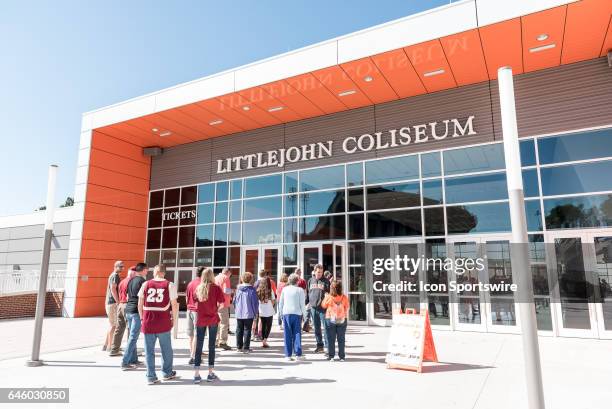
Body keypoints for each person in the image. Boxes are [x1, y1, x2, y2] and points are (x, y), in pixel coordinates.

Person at [138, 264, 178, 384]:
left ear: (155, 271)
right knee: (166, 349)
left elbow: (140, 303)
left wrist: (141, 318)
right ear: (164, 272)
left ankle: (150, 376)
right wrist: (174, 320)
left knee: (149, 350)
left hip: (148, 321)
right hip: (163, 321)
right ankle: (167, 373)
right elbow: (174, 305)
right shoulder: (169, 285)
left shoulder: (146, 284)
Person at [193, 267, 225, 383]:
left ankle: (196, 374)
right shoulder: (216, 288)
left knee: (199, 346)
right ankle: (210, 373)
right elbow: (222, 304)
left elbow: (194, 302)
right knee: (211, 346)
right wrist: (215, 309)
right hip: (212, 319)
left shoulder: (198, 288)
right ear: (211, 276)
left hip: (201, 319)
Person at [120, 262, 147, 371]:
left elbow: (127, 294)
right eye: (147, 270)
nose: (147, 271)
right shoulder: (143, 282)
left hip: (128, 310)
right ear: (144, 270)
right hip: (136, 311)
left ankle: (133, 359)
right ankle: (125, 362)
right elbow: (143, 298)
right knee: (133, 337)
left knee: (132, 336)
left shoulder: (131, 280)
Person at [109, 264, 139, 356]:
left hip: (121, 305)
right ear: (134, 273)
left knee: (119, 328)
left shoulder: (122, 281)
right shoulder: (132, 282)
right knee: (131, 329)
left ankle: (114, 349)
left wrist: (119, 302)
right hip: (128, 306)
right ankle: (131, 353)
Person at [278, 273, 306, 361]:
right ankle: (298, 354)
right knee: (297, 334)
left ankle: (288, 355)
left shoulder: (284, 289)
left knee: (287, 334)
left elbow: (281, 303)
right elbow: (302, 304)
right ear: (297, 281)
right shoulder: (300, 290)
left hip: (286, 313)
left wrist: (280, 314)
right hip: (297, 314)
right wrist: (305, 316)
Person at [321, 280, 349, 361]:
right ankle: (342, 357)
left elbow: (323, 306)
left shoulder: (329, 297)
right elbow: (347, 307)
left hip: (330, 319)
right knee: (341, 338)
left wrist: (326, 297)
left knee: (330, 338)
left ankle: (331, 356)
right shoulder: (344, 297)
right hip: (342, 319)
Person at [233, 271, 258, 353]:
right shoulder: (252, 290)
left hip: (239, 313)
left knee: (239, 329)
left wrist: (236, 309)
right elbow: (255, 303)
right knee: (247, 330)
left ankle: (239, 347)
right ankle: (246, 348)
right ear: (250, 279)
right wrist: (255, 313)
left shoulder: (238, 289)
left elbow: (234, 301)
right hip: (249, 313)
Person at [307, 264, 330, 354]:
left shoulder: (326, 281)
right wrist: (307, 303)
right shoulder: (310, 281)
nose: (320, 274)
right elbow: (308, 293)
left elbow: (329, 293)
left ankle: (328, 347)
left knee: (326, 328)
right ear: (315, 271)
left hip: (323, 308)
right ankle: (319, 346)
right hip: (313, 308)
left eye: (321, 272)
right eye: (318, 272)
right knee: (317, 328)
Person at [185, 266, 203, 365]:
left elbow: (186, 297)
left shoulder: (190, 283)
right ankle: (194, 356)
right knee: (197, 334)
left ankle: (191, 354)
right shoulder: (202, 284)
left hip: (189, 310)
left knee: (191, 335)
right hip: (198, 310)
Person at [104, 260, 123, 351]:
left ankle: (106, 345)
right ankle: (110, 346)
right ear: (115, 266)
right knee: (114, 325)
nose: (122, 268)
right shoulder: (115, 275)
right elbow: (113, 289)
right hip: (112, 303)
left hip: (110, 303)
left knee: (111, 324)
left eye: (122, 266)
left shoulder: (114, 275)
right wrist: (118, 301)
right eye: (120, 266)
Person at [215, 268, 233, 350]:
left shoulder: (216, 278)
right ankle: (222, 342)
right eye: (230, 274)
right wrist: (232, 291)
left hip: (215, 303)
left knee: (216, 323)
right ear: (228, 272)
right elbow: (226, 290)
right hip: (223, 303)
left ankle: (215, 341)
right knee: (224, 323)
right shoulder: (226, 278)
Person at [257, 274, 275, 348]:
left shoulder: (258, 290)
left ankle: (262, 340)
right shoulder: (270, 291)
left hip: (261, 310)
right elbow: (273, 301)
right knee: (269, 325)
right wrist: (271, 305)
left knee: (263, 325)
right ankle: (264, 340)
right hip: (269, 310)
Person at [294, 268, 310, 332]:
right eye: (300, 272)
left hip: (294, 299)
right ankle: (299, 326)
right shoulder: (302, 281)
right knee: (300, 313)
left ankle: (297, 326)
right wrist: (305, 298)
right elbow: (305, 291)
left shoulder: (292, 280)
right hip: (300, 299)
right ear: (300, 273)